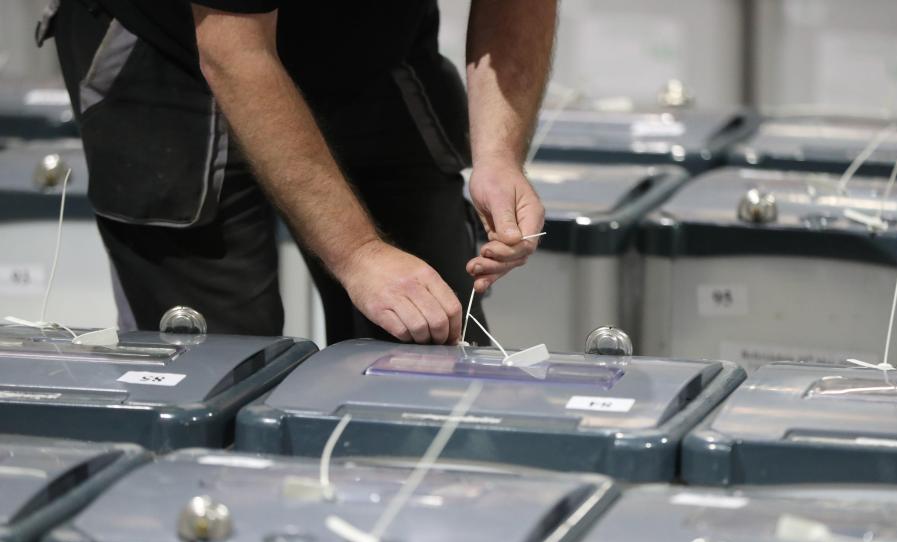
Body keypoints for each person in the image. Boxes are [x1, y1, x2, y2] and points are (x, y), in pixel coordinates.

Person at [42, 0, 554, 345]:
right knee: (214, 366)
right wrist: (358, 254)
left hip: (372, 45)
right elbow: (234, 51)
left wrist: (498, 157)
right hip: (176, 52)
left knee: (434, 341)